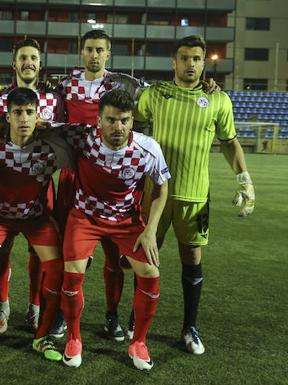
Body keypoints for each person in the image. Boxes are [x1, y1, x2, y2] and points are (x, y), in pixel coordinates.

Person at [135, 35, 255, 355]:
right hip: (155, 192)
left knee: (192, 258)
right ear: (173, 62)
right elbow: (126, 119)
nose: (191, 64)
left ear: (204, 62)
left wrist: (244, 179)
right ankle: (137, 321)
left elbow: (229, 141)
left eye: (197, 59)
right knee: (146, 254)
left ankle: (190, 327)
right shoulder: (155, 94)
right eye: (185, 58)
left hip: (195, 196)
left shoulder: (218, 100)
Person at [59, 89, 170, 370]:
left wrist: (150, 229)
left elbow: (161, 187)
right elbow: (43, 129)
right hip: (85, 216)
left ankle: (139, 342)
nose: (117, 127)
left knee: (150, 273)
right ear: (98, 120)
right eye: (110, 120)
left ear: (132, 121)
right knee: (72, 273)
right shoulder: (80, 137)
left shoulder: (148, 148)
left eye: (124, 120)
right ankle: (74, 338)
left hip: (126, 221)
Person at [0, 87, 70, 362]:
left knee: (57, 268)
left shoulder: (50, 147)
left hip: (35, 218)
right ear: (7, 117)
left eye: (29, 113)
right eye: (18, 113)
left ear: (38, 116)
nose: (24, 118)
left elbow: (84, 135)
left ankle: (42, 337)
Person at [57, 29, 147, 342]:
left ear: (108, 53)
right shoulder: (65, 84)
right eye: (89, 49)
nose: (94, 55)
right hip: (74, 175)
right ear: (81, 52)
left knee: (113, 254)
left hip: (111, 176)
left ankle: (112, 314)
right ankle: (60, 313)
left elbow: (154, 99)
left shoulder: (125, 84)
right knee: (65, 250)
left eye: (100, 50)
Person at [0, 38, 65, 336]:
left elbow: (63, 138)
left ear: (40, 64)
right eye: (23, 57)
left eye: (33, 57)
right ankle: (2, 306)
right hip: (2, 188)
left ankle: (35, 308)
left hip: (39, 188)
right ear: (14, 64)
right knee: (0, 251)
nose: (28, 62)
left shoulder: (55, 100)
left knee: (38, 253)